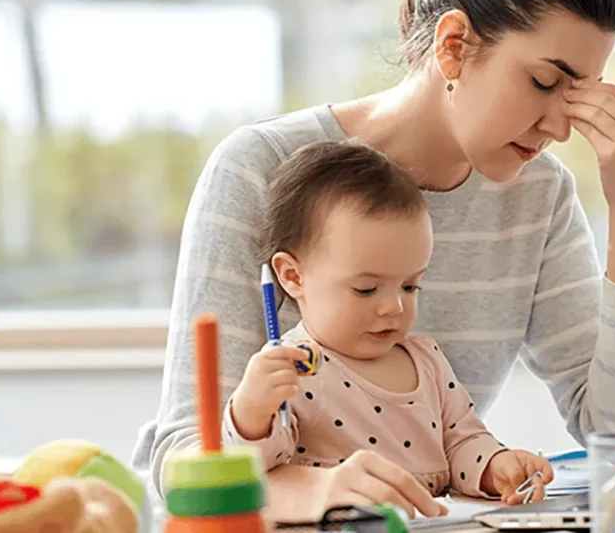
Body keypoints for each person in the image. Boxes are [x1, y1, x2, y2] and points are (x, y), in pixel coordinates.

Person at [132, 0, 615, 522]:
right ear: (453, 46)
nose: (560, 127)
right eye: (545, 83)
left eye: (580, 94)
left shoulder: (538, 195)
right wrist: (319, 489)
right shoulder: (261, 167)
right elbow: (185, 458)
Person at [223, 139, 554, 517]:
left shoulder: (427, 360)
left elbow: (462, 442)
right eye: (366, 289)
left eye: (410, 286)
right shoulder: (292, 368)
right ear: (293, 276)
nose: (394, 306)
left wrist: (496, 467)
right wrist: (251, 411)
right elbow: (254, 472)